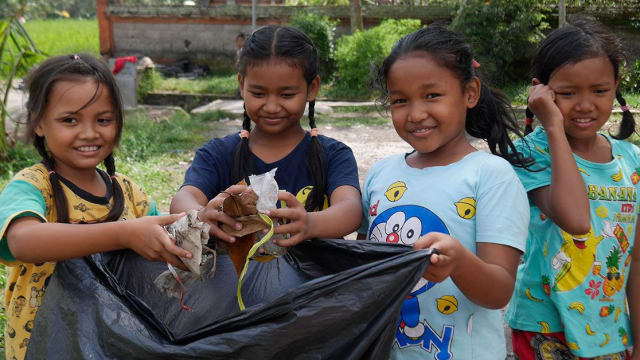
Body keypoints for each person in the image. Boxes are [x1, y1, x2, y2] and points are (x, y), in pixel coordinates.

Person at [0, 54, 191, 360]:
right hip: (44, 346)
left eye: (103, 120)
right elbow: (22, 241)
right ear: (38, 123)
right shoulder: (33, 187)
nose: (90, 133)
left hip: (113, 343)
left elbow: (166, 246)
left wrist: (199, 225)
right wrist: (123, 234)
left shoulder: (130, 194)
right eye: (70, 120)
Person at [358, 26, 533, 359]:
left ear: (470, 93)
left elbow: (499, 291)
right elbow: (365, 266)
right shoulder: (381, 173)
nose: (416, 113)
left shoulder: (491, 177)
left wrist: (460, 262)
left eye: (432, 95)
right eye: (400, 100)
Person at [505, 20, 639, 360]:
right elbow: (575, 220)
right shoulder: (530, 153)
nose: (584, 105)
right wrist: (551, 124)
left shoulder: (632, 161)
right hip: (544, 327)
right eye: (567, 94)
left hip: (610, 328)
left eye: (599, 90)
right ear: (541, 93)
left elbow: (636, 258)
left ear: (616, 87)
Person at [171, 25, 361, 253]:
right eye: (258, 94)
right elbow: (184, 198)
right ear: (242, 86)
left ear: (312, 88)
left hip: (315, 285)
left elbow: (350, 209)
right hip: (237, 286)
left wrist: (310, 224)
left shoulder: (333, 155)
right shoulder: (217, 154)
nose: (271, 107)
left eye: (287, 95)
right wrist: (201, 215)